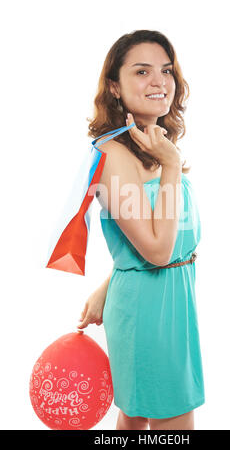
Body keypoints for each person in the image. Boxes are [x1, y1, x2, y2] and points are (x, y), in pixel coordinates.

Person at [77, 30, 205, 431]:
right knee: (171, 423)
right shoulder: (113, 154)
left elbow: (147, 239)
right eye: (142, 71)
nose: (159, 81)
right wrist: (171, 164)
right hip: (149, 311)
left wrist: (109, 282)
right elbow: (157, 250)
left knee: (136, 417)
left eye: (166, 70)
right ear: (114, 87)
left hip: (170, 301)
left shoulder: (153, 143)